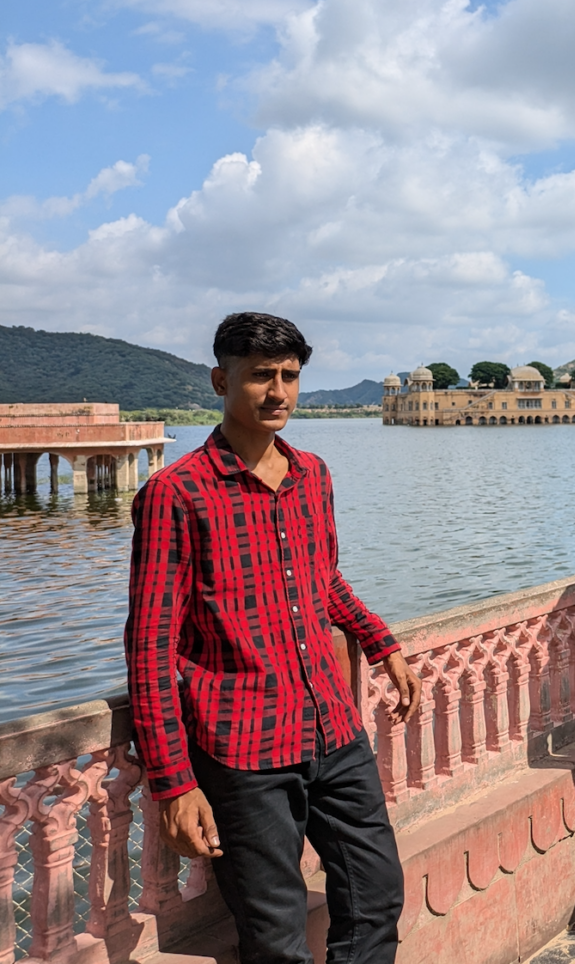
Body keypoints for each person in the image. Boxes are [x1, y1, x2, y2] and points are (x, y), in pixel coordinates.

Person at [126, 312, 423, 964]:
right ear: (219, 379)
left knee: (377, 895)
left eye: (289, 376)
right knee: (276, 935)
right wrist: (174, 784)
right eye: (260, 375)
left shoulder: (311, 475)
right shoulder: (176, 495)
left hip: (332, 729)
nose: (278, 391)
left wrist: (381, 642)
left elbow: (324, 582)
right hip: (244, 748)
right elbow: (149, 650)